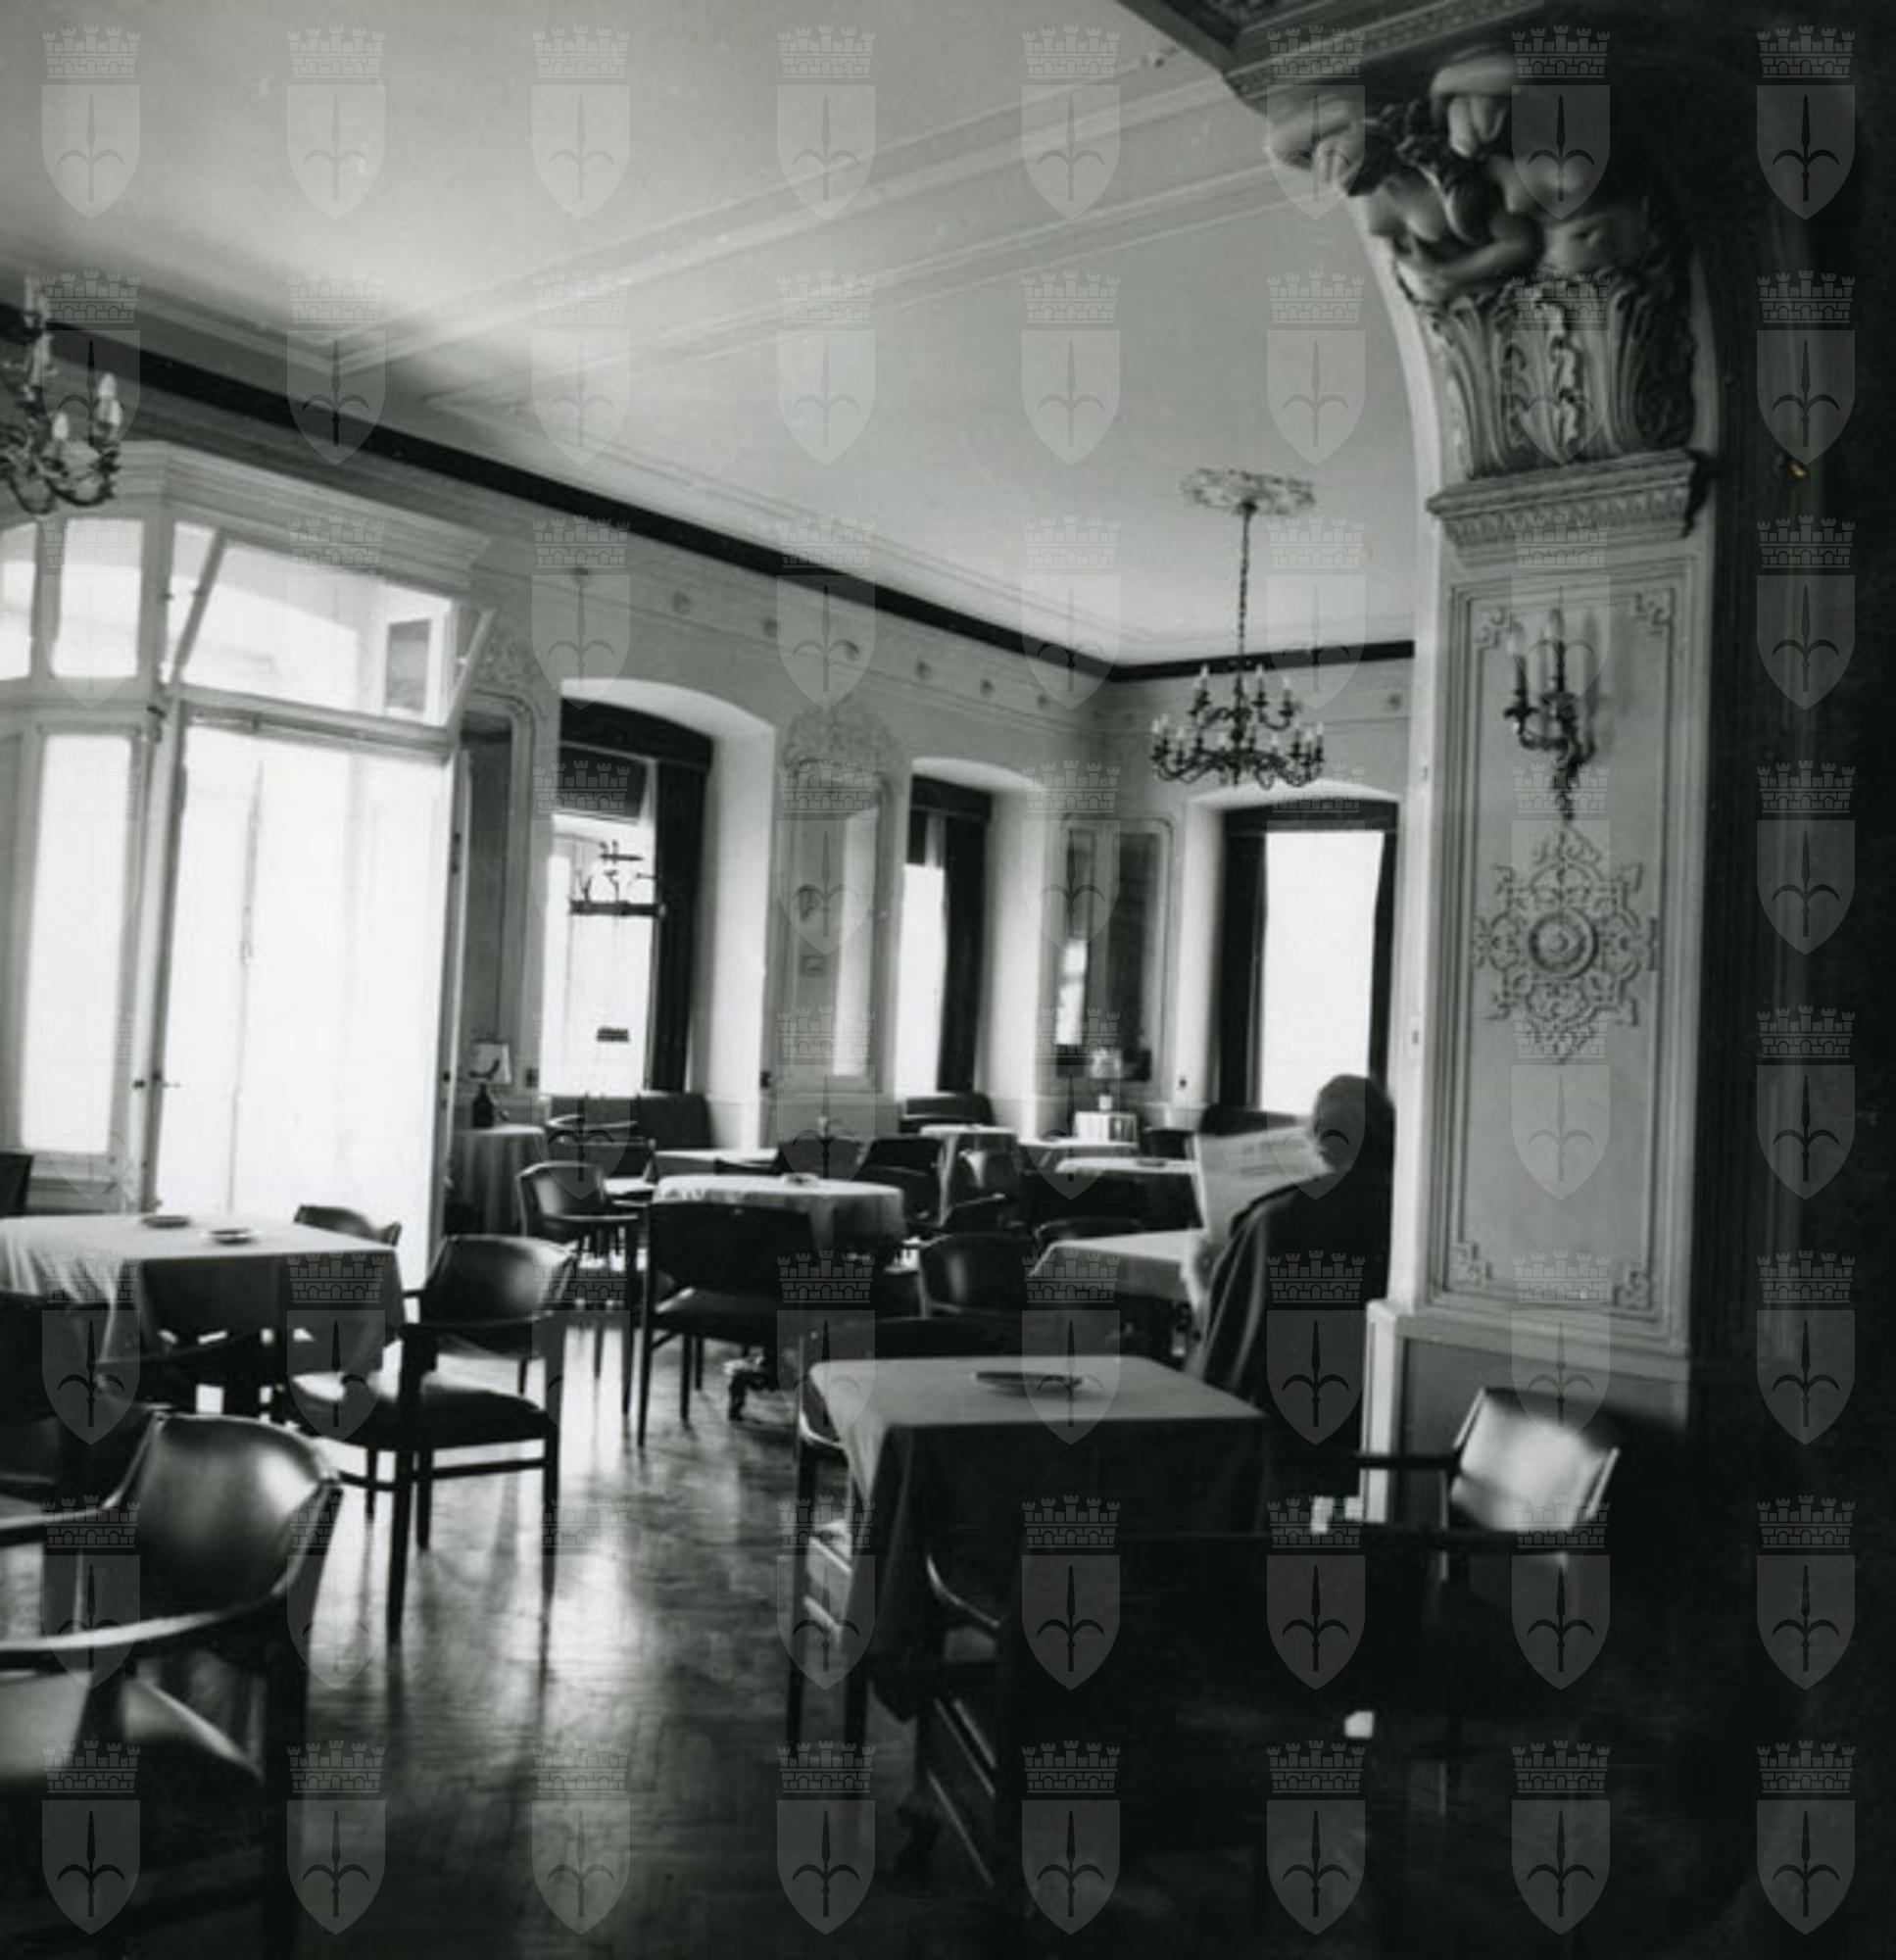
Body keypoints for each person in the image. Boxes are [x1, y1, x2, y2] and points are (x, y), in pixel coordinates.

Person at [1187, 1076, 1396, 1435]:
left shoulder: (1274, 1221)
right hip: (1374, 1417)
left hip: (1277, 1424)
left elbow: (1226, 1339)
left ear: (1316, 1139)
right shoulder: (1408, 1218)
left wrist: (1197, 1279)